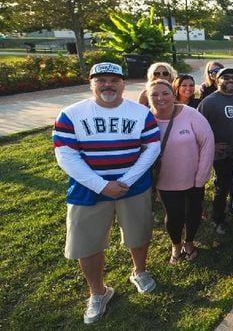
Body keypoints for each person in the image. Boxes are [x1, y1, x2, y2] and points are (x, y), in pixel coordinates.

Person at [53, 62, 161, 324]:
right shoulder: (71, 114)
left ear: (124, 83)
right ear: (91, 83)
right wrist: (101, 185)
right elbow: (65, 154)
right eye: (101, 80)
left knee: (138, 234)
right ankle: (98, 292)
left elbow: (152, 147)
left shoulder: (141, 113)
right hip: (88, 190)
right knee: (87, 243)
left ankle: (139, 271)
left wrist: (125, 180)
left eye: (114, 80)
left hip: (132, 187)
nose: (108, 85)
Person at [147, 79, 214, 264]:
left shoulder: (190, 114)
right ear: (148, 97)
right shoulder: (145, 119)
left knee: (193, 212)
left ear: (173, 93)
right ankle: (176, 244)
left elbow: (207, 143)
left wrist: (201, 177)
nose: (160, 98)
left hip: (193, 178)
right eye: (154, 94)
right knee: (174, 215)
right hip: (164, 179)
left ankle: (190, 242)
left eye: (165, 93)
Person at [197, 68, 233, 235]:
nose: (230, 80)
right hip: (221, 155)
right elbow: (199, 128)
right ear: (217, 80)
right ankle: (218, 219)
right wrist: (212, 145)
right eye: (225, 77)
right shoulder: (209, 102)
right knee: (221, 187)